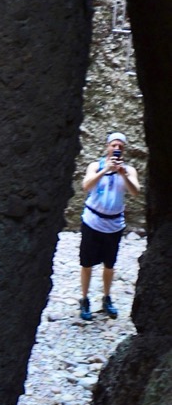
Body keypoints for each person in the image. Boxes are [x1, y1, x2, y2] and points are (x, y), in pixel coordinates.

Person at [78, 129, 140, 322]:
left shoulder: (129, 171)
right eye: (114, 145)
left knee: (109, 264)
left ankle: (106, 297)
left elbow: (135, 191)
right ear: (107, 147)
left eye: (120, 146)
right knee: (86, 263)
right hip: (92, 222)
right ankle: (84, 298)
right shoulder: (95, 166)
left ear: (124, 150)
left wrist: (123, 174)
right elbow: (86, 186)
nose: (117, 148)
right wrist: (105, 170)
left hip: (114, 225)